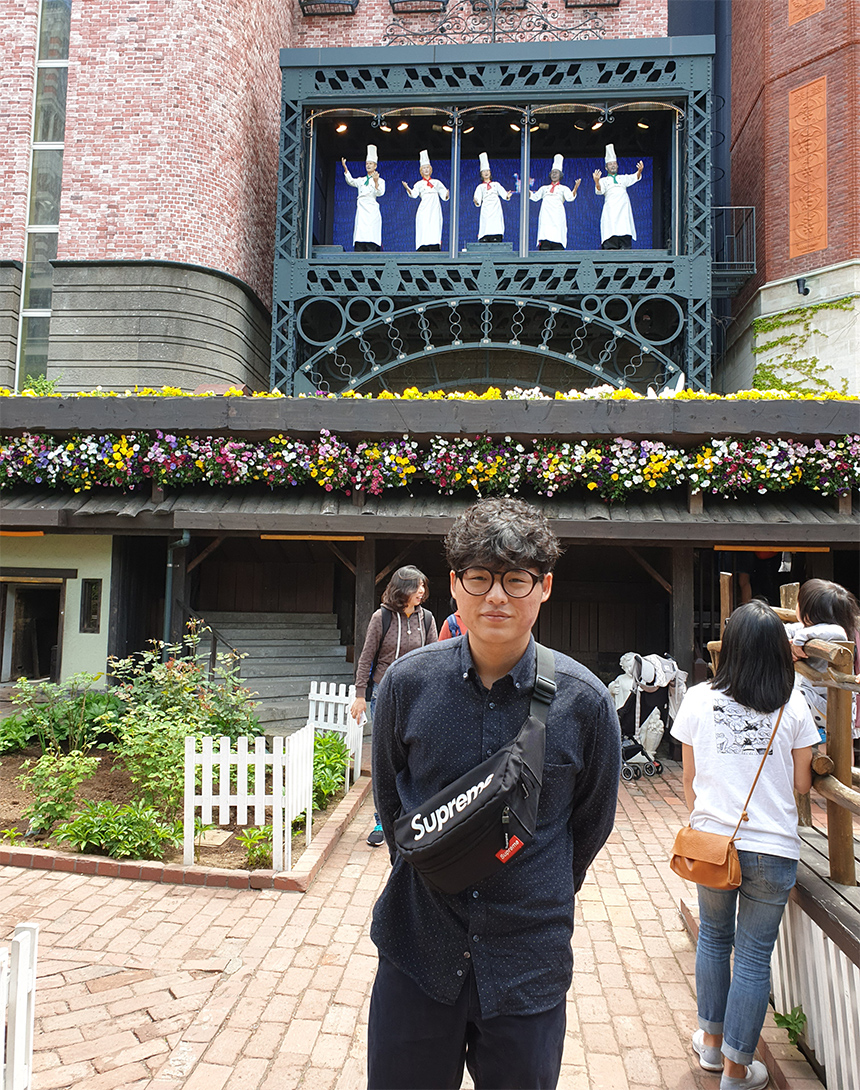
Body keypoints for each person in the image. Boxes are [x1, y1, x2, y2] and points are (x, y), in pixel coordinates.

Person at [367, 498, 621, 1090]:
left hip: (526, 963)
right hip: (418, 947)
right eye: (479, 578)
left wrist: (534, 877)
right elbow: (392, 804)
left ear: (545, 586)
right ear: (455, 585)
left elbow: (590, 824)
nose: (496, 597)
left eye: (516, 579)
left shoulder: (584, 702)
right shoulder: (408, 684)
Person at [670, 601, 818, 1090]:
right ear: (779, 650)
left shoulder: (698, 699)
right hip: (773, 847)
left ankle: (711, 1047)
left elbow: (689, 780)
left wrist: (708, 818)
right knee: (754, 956)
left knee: (714, 939)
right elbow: (802, 784)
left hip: (714, 841)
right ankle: (737, 1071)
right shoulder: (794, 703)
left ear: (729, 648)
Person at [350, 565, 437, 846]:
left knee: (417, 757)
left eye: (423, 586)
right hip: (384, 694)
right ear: (403, 589)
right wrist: (360, 694)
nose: (421, 591)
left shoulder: (427, 619)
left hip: (418, 696)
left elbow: (434, 659)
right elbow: (366, 657)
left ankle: (413, 819)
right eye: (416, 586)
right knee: (386, 761)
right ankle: (382, 821)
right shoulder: (382, 617)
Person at [784, 578, 860, 744]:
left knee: (791, 695)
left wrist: (798, 643)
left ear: (810, 612)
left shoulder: (835, 632)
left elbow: (836, 631)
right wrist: (788, 642)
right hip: (819, 702)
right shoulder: (808, 628)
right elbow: (784, 630)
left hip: (830, 704)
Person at [593, 143, 644, 250]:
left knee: (624, 227)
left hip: (623, 208)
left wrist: (639, 171)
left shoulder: (622, 178)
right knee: (611, 229)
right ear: (606, 167)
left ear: (617, 165)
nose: (612, 166)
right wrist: (597, 181)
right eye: (610, 164)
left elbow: (634, 177)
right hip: (611, 209)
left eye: (614, 163)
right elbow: (599, 191)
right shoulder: (604, 180)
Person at [529, 154, 581, 250]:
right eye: (552, 172)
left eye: (556, 173)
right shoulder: (544, 188)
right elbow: (535, 197)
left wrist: (575, 188)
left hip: (557, 214)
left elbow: (570, 198)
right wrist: (526, 189)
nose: (554, 174)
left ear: (560, 175)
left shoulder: (563, 188)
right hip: (546, 215)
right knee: (545, 234)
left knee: (557, 235)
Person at [403, 150, 449, 252]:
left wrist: (446, 194)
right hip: (424, 208)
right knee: (424, 226)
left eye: (427, 167)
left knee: (434, 226)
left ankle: (434, 246)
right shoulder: (419, 184)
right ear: (421, 171)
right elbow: (414, 194)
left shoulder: (436, 182)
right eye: (424, 168)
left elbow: (443, 193)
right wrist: (407, 188)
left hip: (434, 208)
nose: (426, 170)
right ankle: (423, 246)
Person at [342, 144, 385, 252]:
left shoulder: (380, 180)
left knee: (371, 232)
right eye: (367, 163)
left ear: (375, 166)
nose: (368, 166)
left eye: (370, 164)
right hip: (361, 208)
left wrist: (376, 181)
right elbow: (351, 181)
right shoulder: (361, 180)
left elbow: (380, 192)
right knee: (360, 232)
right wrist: (346, 169)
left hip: (372, 208)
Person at [473, 152, 512, 243]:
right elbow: (477, 198)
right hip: (486, 207)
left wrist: (507, 196)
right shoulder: (480, 187)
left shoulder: (495, 184)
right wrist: (476, 201)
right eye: (484, 171)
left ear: (490, 173)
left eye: (487, 171)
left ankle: (496, 236)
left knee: (496, 221)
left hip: (495, 207)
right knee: (486, 221)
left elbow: (503, 193)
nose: (486, 173)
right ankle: (485, 236)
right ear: (481, 174)